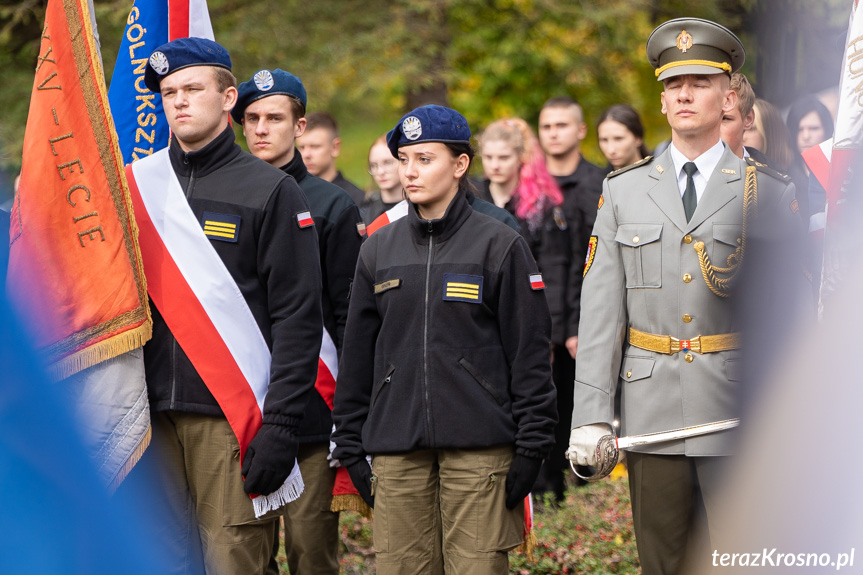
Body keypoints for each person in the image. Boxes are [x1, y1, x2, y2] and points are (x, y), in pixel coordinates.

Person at [567, 18, 802, 575]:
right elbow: (601, 313)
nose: (686, 94)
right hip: (652, 414)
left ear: (728, 95)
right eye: (674, 85)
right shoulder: (623, 190)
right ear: (663, 98)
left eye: (699, 81)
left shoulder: (766, 192)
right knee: (663, 563)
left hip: (737, 410)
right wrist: (590, 416)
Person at [332, 105, 557, 574]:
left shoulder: (499, 244)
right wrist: (351, 443)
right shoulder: (378, 248)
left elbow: (530, 353)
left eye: (425, 159)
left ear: (459, 165)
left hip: (481, 451)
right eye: (404, 159)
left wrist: (533, 444)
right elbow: (357, 355)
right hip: (397, 452)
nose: (410, 172)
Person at [136, 38, 323, 575]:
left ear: (227, 98)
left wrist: (283, 424)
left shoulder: (270, 191)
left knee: (233, 561)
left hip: (229, 415)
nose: (179, 101)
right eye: (169, 92)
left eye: (193, 88)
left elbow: (297, 317)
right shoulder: (138, 186)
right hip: (148, 416)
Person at [232, 68, 364, 575]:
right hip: (242, 400)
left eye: (274, 118)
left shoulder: (331, 205)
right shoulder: (228, 192)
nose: (262, 129)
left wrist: (350, 413)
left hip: (312, 406)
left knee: (311, 554)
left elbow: (350, 317)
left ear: (300, 126)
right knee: (245, 553)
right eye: (252, 118)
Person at [479, 117, 573, 502]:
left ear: (520, 158)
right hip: (484, 316)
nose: (495, 164)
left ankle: (549, 482)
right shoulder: (472, 199)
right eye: (488, 157)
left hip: (529, 315)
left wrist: (548, 332)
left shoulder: (540, 205)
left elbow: (553, 269)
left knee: (538, 398)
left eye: (503, 157)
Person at [537, 96, 606, 361]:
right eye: (546, 127)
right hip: (538, 324)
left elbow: (598, 263)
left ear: (581, 130)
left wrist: (579, 325)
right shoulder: (527, 187)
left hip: (587, 326)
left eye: (561, 125)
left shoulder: (601, 184)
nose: (553, 133)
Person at [746, 98, 810, 218]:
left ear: (770, 133)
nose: (741, 135)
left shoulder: (795, 185)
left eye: (751, 129)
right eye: (740, 128)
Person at [297, 111, 367, 209]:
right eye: (301, 147)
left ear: (335, 147)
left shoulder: (354, 199)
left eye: (315, 146)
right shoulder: (292, 194)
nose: (306, 154)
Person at [719, 72, 770, 165]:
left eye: (725, 119)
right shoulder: (686, 173)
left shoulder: (768, 178)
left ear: (748, 119)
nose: (713, 129)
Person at [364, 134, 404, 224]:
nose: (380, 171)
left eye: (387, 162)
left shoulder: (421, 210)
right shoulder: (364, 214)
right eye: (374, 165)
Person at [596, 104, 650, 172]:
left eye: (618, 139)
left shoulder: (660, 175)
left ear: (638, 138)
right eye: (604, 140)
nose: (611, 150)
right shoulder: (597, 180)